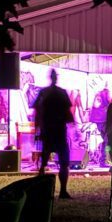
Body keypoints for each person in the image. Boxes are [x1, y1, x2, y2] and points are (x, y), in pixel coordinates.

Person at [32, 68, 74, 199]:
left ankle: (57, 191)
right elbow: (68, 114)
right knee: (60, 162)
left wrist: (37, 128)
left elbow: (37, 111)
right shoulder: (60, 92)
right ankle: (62, 191)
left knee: (46, 161)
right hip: (57, 131)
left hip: (50, 131)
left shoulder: (44, 92)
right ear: (55, 77)